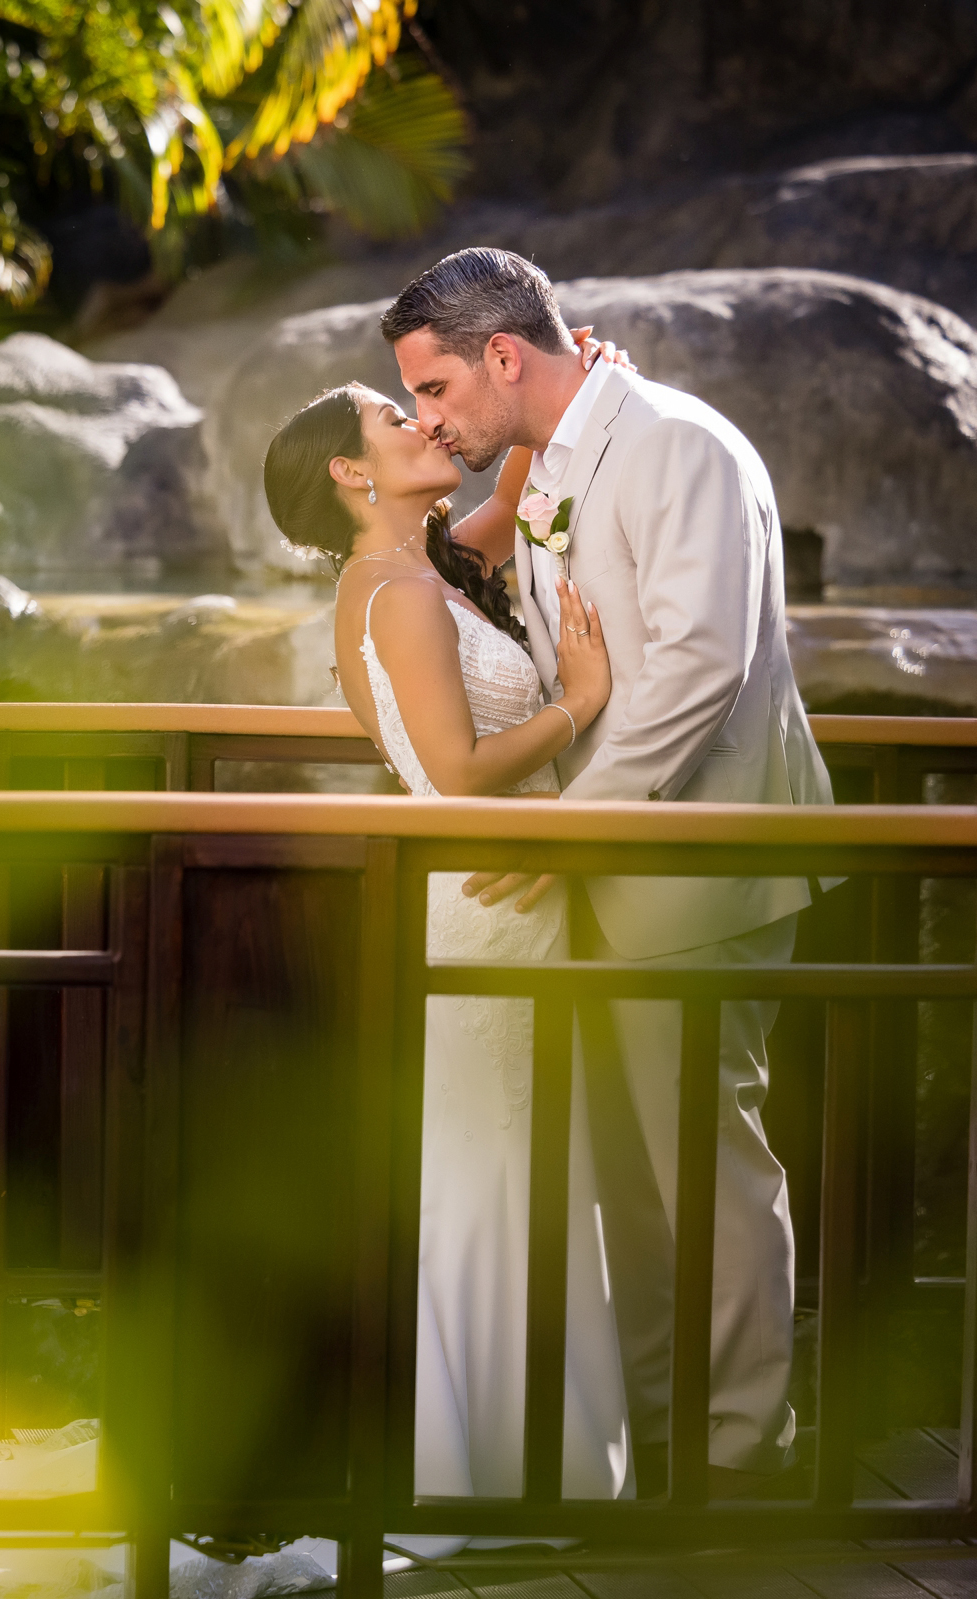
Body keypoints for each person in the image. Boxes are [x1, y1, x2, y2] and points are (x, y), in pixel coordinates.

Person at [382, 247, 835, 1498]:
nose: (429, 419)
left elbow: (698, 666)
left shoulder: (681, 446)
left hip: (698, 870)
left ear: (504, 358)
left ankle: (743, 1453)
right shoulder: (554, 465)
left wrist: (571, 827)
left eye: (432, 390)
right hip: (601, 882)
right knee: (631, 1183)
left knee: (707, 1168)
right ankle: (655, 1445)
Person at [262, 366, 631, 1546]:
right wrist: (579, 703)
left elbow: (506, 475)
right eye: (392, 415)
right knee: (500, 1178)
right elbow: (461, 775)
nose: (425, 421)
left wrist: (566, 382)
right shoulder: (395, 594)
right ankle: (494, 1475)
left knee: (515, 1173)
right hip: (488, 901)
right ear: (349, 470)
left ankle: (513, 1461)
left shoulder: (417, 567)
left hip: (495, 903)